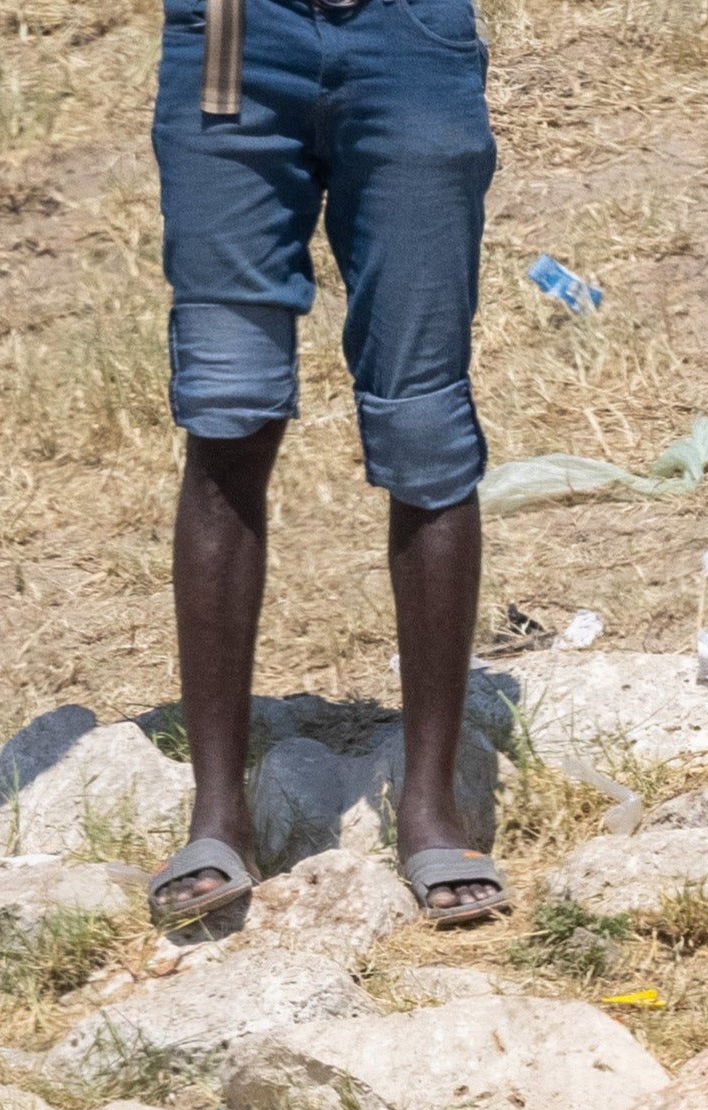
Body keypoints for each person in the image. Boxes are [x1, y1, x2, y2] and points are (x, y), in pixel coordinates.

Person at [148, 0, 503, 933]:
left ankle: (431, 809)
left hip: (410, 39)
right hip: (232, 38)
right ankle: (218, 814)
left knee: (425, 418)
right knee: (228, 411)